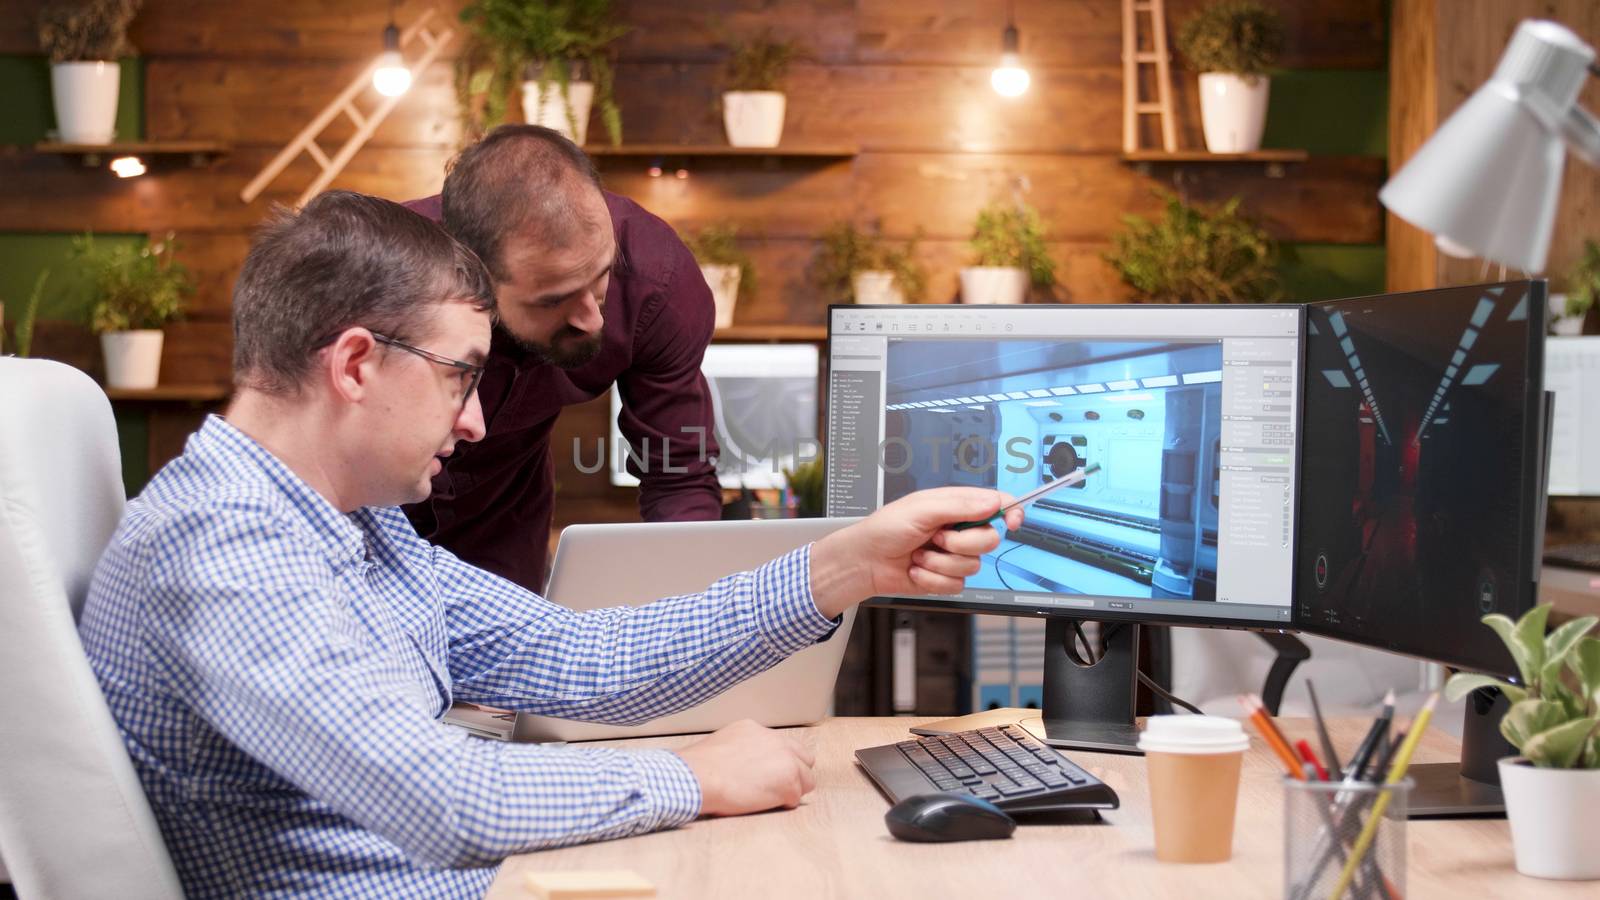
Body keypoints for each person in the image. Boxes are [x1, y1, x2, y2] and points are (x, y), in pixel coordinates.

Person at [78, 190, 1020, 897]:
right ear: (356, 363)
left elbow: (584, 658)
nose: (481, 423)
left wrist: (846, 566)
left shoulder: (351, 527)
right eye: (462, 377)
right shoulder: (220, 553)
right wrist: (690, 776)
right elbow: (446, 800)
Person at [404, 124, 725, 591]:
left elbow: (677, 473)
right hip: (371, 514)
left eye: (601, 275)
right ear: (473, 274)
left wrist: (693, 611)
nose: (593, 319)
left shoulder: (658, 281)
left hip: (505, 521)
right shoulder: (386, 279)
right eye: (553, 300)